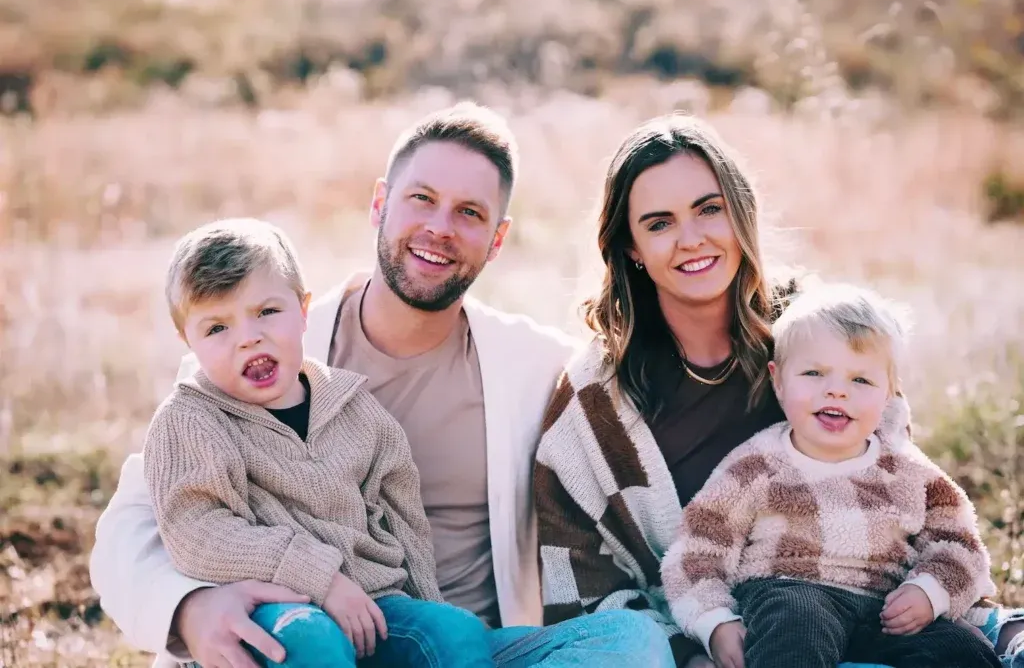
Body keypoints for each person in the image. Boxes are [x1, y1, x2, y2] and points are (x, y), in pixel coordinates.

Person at [89, 102, 676, 668]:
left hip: (450, 642)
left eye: (469, 213)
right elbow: (133, 526)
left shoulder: (537, 368)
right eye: (421, 199)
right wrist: (191, 609)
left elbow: (651, 453)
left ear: (496, 240)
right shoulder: (252, 344)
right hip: (295, 635)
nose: (438, 228)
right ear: (380, 203)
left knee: (633, 642)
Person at [533, 112, 1024, 668]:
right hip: (718, 636)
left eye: (709, 209)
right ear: (631, 249)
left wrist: (936, 595)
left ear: (742, 212)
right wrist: (690, 650)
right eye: (659, 223)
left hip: (875, 611)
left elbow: (903, 491)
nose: (691, 239)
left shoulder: (820, 334)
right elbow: (582, 586)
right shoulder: (598, 401)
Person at [144, 217, 494, 667]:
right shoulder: (190, 420)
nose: (248, 338)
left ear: (304, 308)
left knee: (454, 634)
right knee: (311, 641)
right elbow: (196, 531)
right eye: (217, 329)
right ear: (186, 340)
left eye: (267, 312)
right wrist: (319, 578)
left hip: (375, 604)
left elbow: (406, 525)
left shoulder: (356, 409)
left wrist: (428, 613)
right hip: (274, 607)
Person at [661, 282, 1001, 667]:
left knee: (962, 650)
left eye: (860, 380)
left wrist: (929, 591)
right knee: (796, 624)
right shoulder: (756, 466)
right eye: (814, 373)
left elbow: (960, 543)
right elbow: (694, 553)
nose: (836, 391)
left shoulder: (907, 469)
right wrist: (716, 622)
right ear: (778, 379)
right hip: (789, 591)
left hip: (886, 609)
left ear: (888, 392)